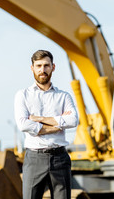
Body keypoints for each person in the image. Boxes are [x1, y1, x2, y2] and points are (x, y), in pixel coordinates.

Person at [14, 50, 79, 199]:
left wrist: (40, 118)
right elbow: (24, 124)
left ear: (53, 67)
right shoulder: (22, 95)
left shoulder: (63, 96)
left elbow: (73, 121)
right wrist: (57, 125)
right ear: (32, 68)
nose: (42, 70)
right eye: (38, 66)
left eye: (46, 65)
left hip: (60, 158)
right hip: (34, 158)